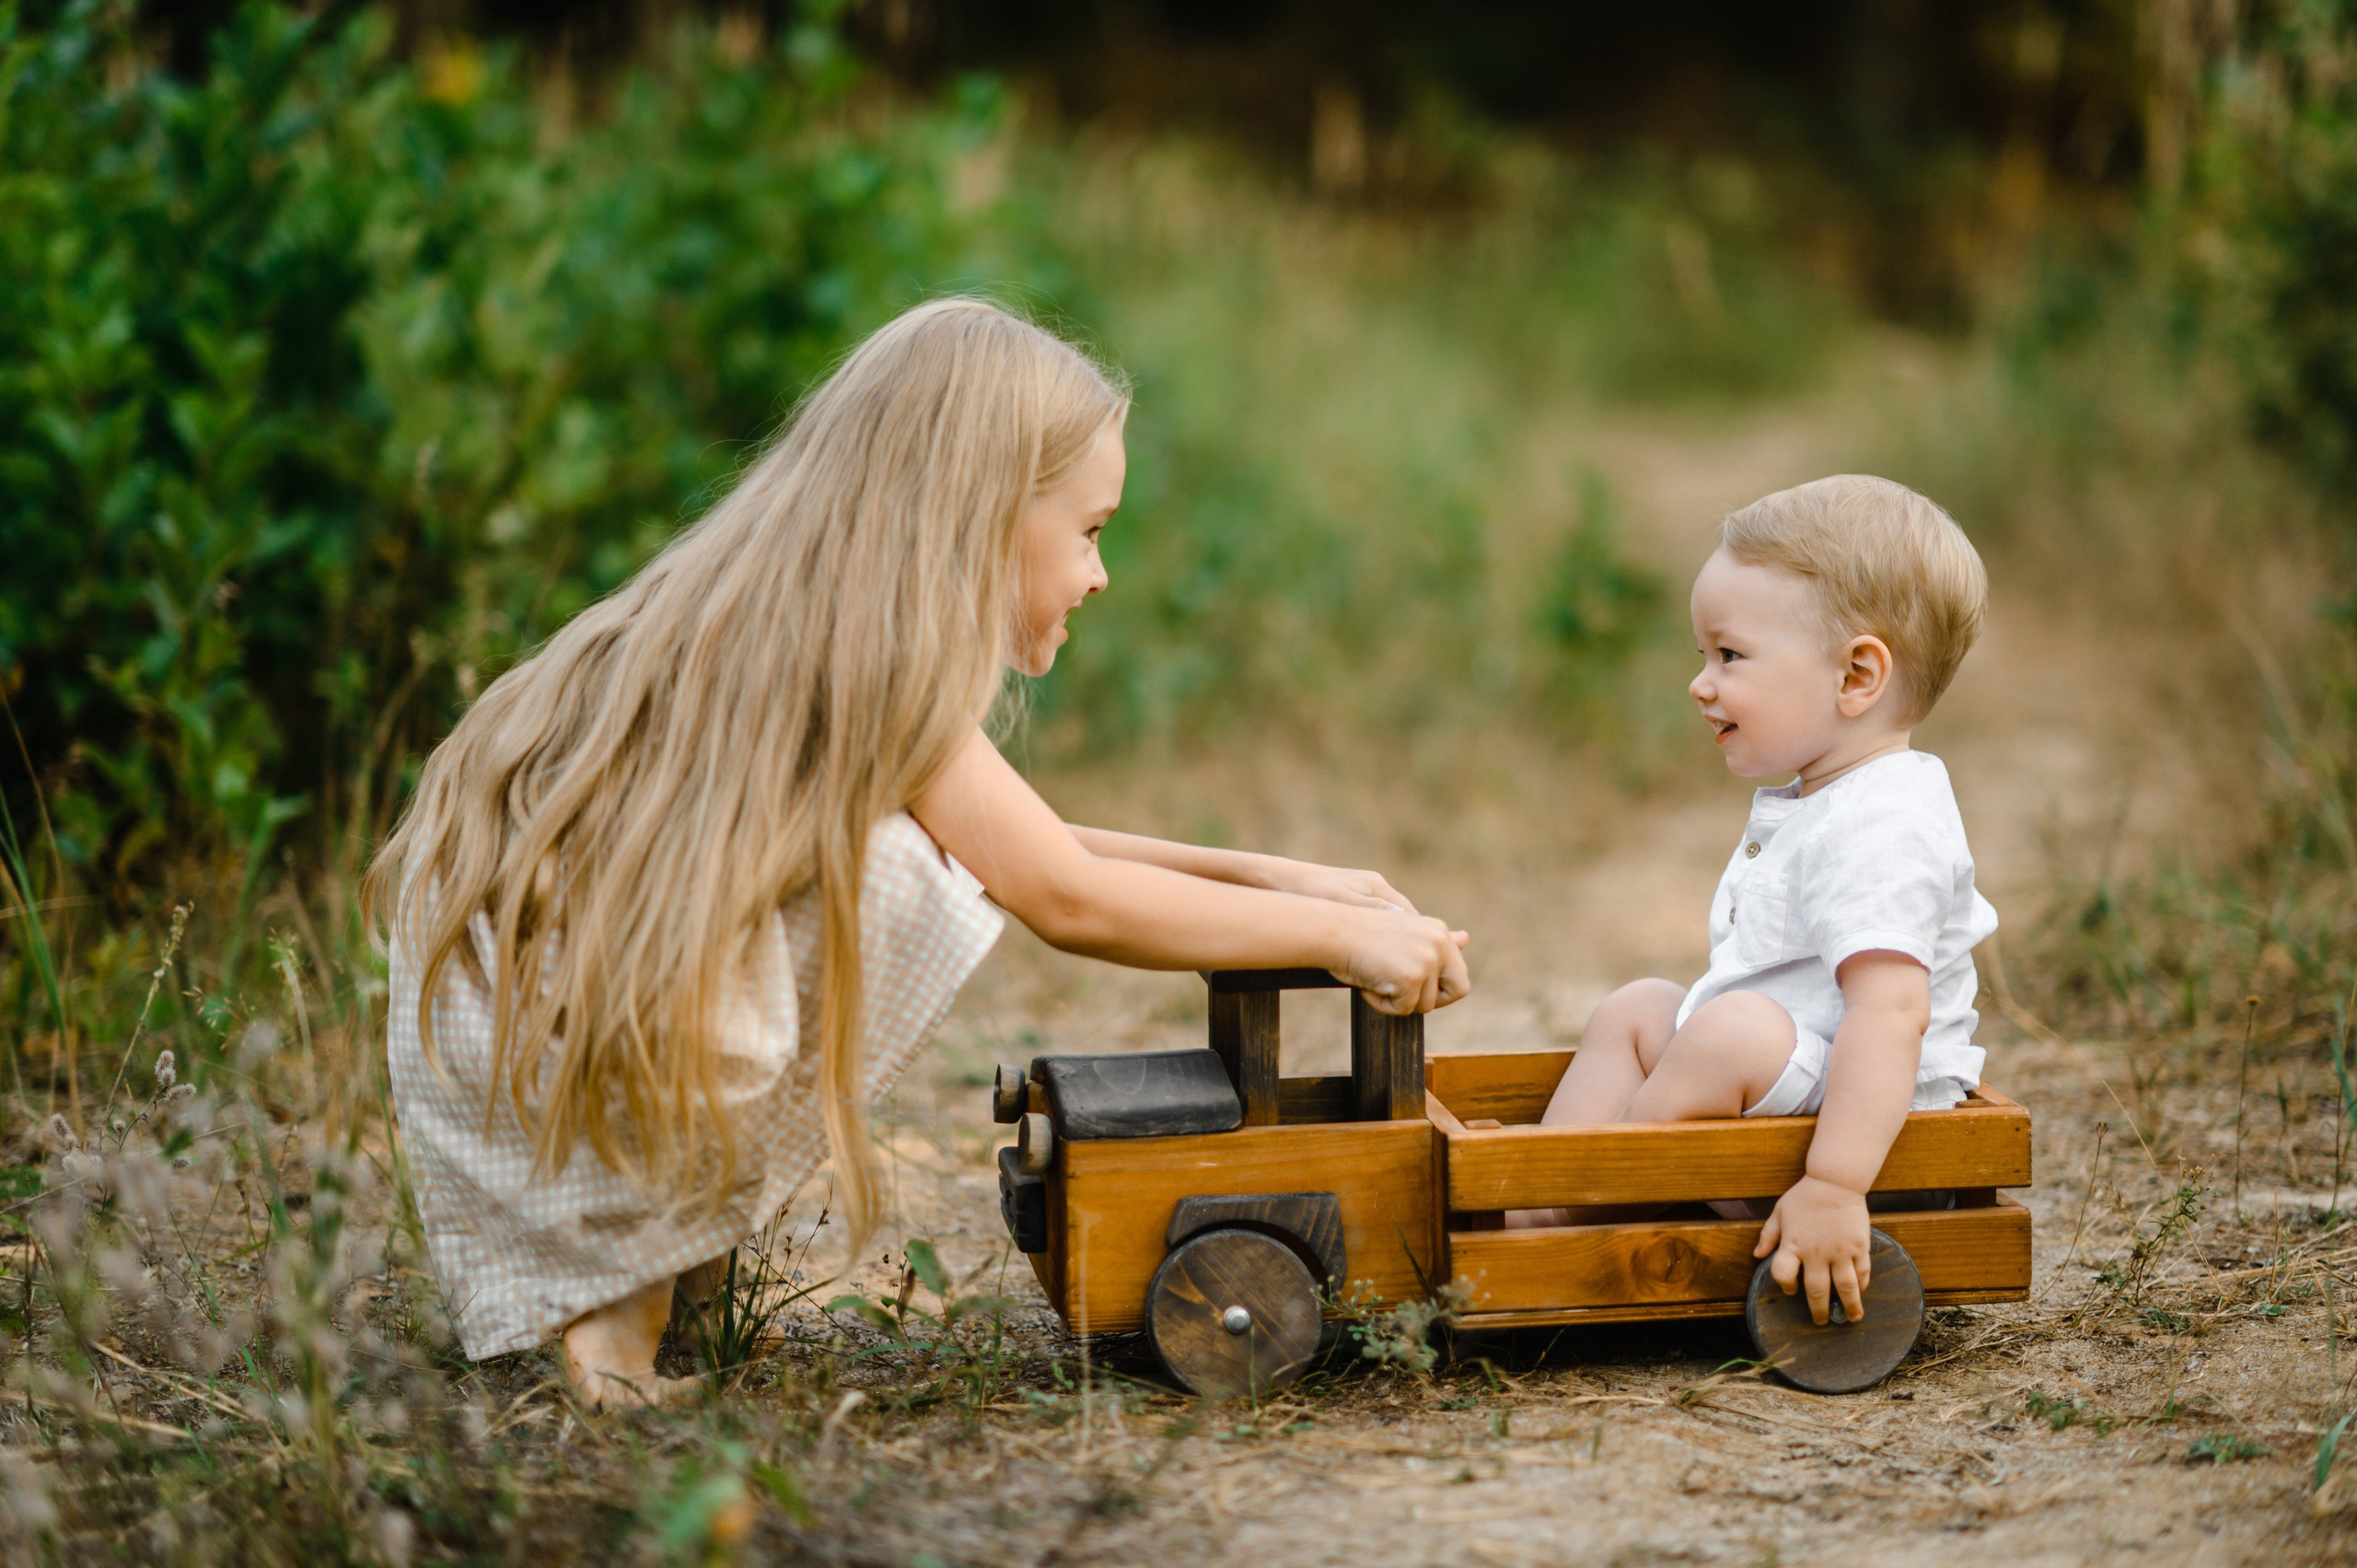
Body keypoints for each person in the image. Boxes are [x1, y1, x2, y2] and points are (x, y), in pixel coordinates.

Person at [367, 298, 1471, 1408]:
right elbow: (1064, 894)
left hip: (511, 993)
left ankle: (675, 1273)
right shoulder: (862, 648)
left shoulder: (808, 603)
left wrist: (1283, 879)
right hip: (546, 1012)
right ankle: (615, 1332)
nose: (1099, 574)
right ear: (985, 509)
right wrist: (1339, 938)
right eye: (1089, 530)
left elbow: (1032, 841)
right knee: (899, 878)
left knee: (901, 859)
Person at [1520, 474, 1994, 1329]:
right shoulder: (1830, 793)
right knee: (1642, 1008)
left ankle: (1571, 1220)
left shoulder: (1884, 824)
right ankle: (1533, 1200)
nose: (1700, 683)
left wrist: (1835, 1183)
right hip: (1801, 1089)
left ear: (1857, 675)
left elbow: (1891, 1013)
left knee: (1728, 1029)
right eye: (1704, 655)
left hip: (1868, 1139)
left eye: (1729, 656)